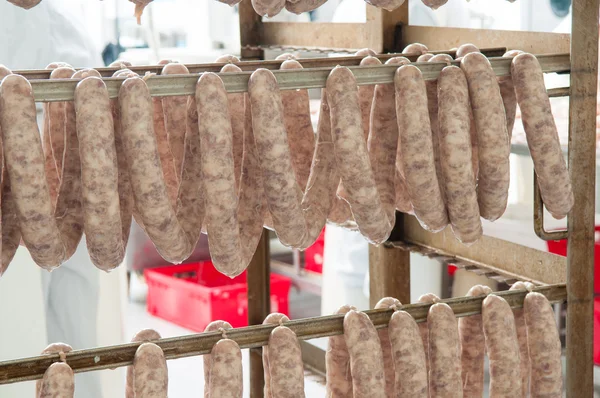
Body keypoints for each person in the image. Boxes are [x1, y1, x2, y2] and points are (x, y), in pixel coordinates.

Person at [0, 1, 105, 397]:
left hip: (73, 170)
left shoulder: (68, 23)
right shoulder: (62, 24)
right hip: (24, 170)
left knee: (73, 310)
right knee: (24, 313)